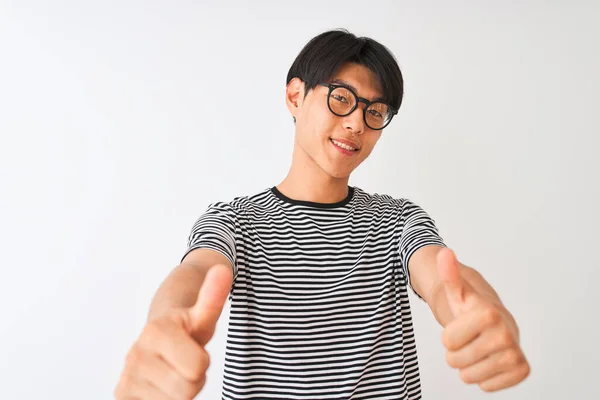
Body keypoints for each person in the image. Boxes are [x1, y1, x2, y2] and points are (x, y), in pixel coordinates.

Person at [114, 29, 530, 400]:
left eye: (375, 112)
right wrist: (166, 323)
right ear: (296, 96)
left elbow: (443, 280)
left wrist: (485, 313)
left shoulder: (398, 220)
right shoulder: (235, 220)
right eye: (341, 98)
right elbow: (198, 271)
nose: (356, 124)